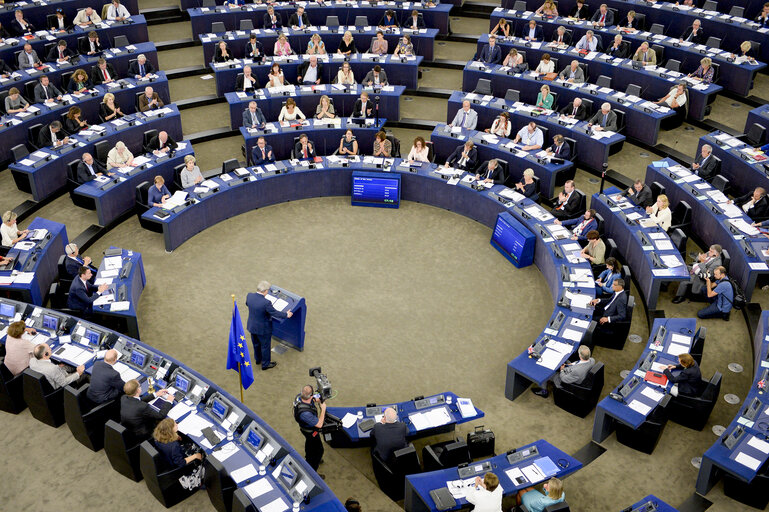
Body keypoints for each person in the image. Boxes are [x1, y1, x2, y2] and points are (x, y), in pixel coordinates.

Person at [247, 280, 291, 370]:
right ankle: (265, 364)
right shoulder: (266, 303)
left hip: (252, 326)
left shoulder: (249, 296)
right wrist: (286, 314)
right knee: (265, 346)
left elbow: (248, 304)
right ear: (265, 291)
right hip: (263, 329)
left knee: (256, 344)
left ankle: (258, 359)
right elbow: (274, 313)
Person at [152, 418, 204, 488]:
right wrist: (195, 456)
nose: (177, 424)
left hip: (167, 458)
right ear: (170, 431)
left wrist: (175, 436)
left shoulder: (157, 437)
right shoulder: (174, 446)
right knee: (201, 454)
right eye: (175, 425)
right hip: (179, 467)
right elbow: (180, 463)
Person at [294, 385, 326, 473]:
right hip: (310, 432)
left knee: (309, 446)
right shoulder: (305, 414)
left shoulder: (299, 398)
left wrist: (318, 398)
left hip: (307, 432)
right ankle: (313, 472)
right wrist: (323, 409)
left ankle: (308, 459)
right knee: (319, 451)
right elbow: (319, 424)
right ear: (310, 396)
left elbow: (312, 399)